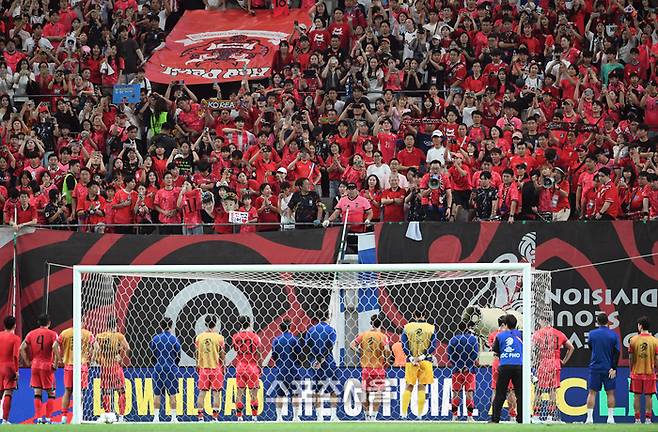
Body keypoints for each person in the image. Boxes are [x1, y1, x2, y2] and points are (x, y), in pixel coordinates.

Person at [531, 315, 575, 423]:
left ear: (543, 320)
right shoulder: (559, 333)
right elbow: (571, 347)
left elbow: (532, 349)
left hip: (543, 364)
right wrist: (563, 361)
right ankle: (550, 417)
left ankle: (536, 416)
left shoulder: (538, 334)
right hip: (555, 363)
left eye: (540, 320)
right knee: (552, 391)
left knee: (538, 391)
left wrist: (534, 361)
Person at [20, 313, 60, 424]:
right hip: (47, 365)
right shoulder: (53, 334)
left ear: (38, 323)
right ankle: (47, 419)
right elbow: (55, 347)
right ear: (49, 323)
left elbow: (22, 348)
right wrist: (56, 363)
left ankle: (37, 418)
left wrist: (28, 361)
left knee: (37, 392)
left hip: (35, 365)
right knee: (51, 393)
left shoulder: (31, 333)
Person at [350, 315, 390, 421]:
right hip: (379, 368)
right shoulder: (383, 336)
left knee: (365, 392)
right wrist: (386, 358)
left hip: (366, 368)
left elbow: (351, 345)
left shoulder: (363, 335)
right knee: (378, 392)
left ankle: (367, 415)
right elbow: (387, 350)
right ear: (380, 323)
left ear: (371, 323)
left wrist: (360, 352)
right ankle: (374, 417)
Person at [400, 307, 437, 419]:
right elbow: (433, 346)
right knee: (422, 387)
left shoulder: (407, 327)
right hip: (425, 361)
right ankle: (420, 415)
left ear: (414, 314)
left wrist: (411, 358)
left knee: (408, 386)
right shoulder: (431, 328)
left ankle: (403, 414)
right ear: (425, 314)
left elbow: (404, 344)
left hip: (411, 362)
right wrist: (422, 356)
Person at [585, 313, 620, 424]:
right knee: (610, 393)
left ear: (597, 321)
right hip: (608, 368)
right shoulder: (613, 335)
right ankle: (610, 418)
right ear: (608, 322)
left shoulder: (592, 334)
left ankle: (589, 419)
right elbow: (617, 352)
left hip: (595, 367)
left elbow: (591, 347)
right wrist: (613, 368)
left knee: (592, 393)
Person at [95, 317, 130, 423]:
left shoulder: (99, 336)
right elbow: (128, 348)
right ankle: (121, 417)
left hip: (105, 368)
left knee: (106, 392)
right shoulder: (119, 336)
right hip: (115, 367)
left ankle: (108, 415)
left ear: (106, 325)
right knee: (121, 391)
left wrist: (99, 361)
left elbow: (95, 352)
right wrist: (121, 356)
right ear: (115, 325)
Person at [305, 311, 339, 422]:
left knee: (316, 391)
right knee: (333, 390)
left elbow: (307, 347)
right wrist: (322, 359)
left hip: (315, 365)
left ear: (318, 317)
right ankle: (333, 416)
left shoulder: (311, 330)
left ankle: (319, 416)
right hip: (328, 363)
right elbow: (330, 346)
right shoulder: (331, 330)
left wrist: (315, 360)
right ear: (329, 317)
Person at [59, 325, 94, 424]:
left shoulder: (65, 333)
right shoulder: (87, 333)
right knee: (79, 392)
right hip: (82, 367)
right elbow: (96, 346)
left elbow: (54, 345)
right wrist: (91, 359)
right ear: (81, 320)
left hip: (69, 366)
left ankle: (64, 418)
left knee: (67, 391)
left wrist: (59, 358)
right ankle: (78, 416)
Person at [491, 314, 523, 424]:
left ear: (506, 324)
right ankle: (521, 419)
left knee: (500, 394)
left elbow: (496, 351)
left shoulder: (500, 336)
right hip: (519, 365)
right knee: (519, 394)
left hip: (505, 366)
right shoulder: (521, 334)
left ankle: (495, 419)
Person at [150, 318, 181, 423]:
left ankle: (156, 418)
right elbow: (178, 356)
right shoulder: (174, 339)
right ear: (171, 326)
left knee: (157, 394)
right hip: (171, 368)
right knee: (172, 394)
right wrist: (173, 364)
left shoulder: (155, 339)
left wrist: (158, 363)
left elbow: (152, 355)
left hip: (158, 368)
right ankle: (173, 418)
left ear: (160, 325)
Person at [195, 315, 225, 422]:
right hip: (216, 368)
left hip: (204, 368)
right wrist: (224, 366)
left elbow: (197, 353)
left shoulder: (199, 337)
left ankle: (200, 417)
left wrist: (197, 364)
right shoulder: (219, 337)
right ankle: (215, 417)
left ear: (205, 323)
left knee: (202, 393)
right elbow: (222, 354)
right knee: (216, 394)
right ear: (215, 324)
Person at [628, 316, 658, 424]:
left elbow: (631, 358)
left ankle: (637, 419)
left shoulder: (633, 340)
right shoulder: (655, 341)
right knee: (649, 396)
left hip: (636, 373)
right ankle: (648, 419)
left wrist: (631, 370)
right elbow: (657, 358)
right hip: (650, 373)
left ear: (640, 326)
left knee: (636, 396)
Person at [447, 321, 479, 421]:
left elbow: (449, 355)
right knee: (469, 394)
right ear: (468, 327)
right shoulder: (473, 339)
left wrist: (458, 365)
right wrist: (467, 365)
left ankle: (454, 416)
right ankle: (470, 417)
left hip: (457, 370)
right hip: (469, 371)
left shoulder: (453, 339)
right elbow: (475, 354)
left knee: (456, 393)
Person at [232, 316, 262, 421]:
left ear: (239, 324)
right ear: (249, 323)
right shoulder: (255, 336)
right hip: (252, 367)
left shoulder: (235, 336)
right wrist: (260, 367)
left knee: (239, 393)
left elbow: (235, 349)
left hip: (240, 367)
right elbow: (259, 353)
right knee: (253, 394)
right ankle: (254, 417)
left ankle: (239, 417)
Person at [271, 320, 301, 422]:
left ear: (280, 328)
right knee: (296, 394)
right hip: (293, 370)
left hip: (281, 370)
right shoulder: (294, 339)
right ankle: (295, 417)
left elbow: (274, 356)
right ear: (290, 327)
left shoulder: (276, 340)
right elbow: (299, 355)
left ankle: (279, 417)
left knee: (279, 394)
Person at [0, 316, 21, 424]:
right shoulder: (15, 339)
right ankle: (4, 420)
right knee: (8, 392)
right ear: (14, 326)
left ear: (4, 325)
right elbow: (15, 357)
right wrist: (16, 371)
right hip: (8, 367)